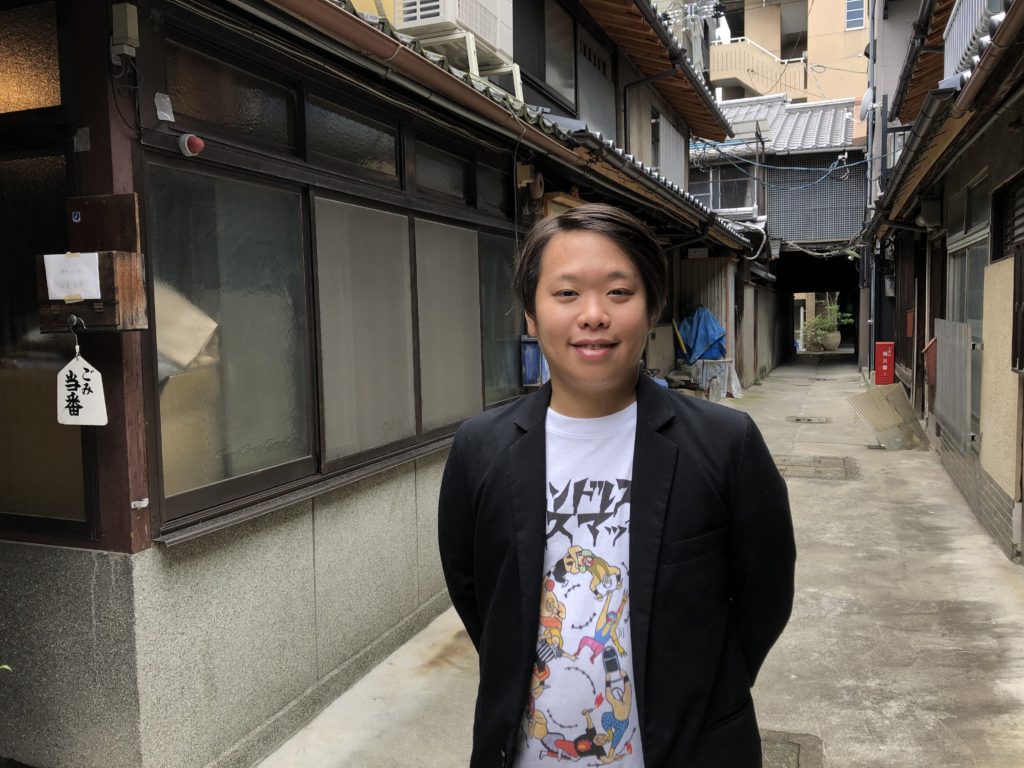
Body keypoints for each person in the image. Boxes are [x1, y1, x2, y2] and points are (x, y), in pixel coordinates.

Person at [438, 203, 795, 768]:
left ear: (652, 308)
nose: (593, 315)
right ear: (530, 314)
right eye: (566, 293)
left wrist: (702, 690)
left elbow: (765, 595)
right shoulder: (480, 449)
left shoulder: (725, 444)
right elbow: (481, 597)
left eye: (619, 292)